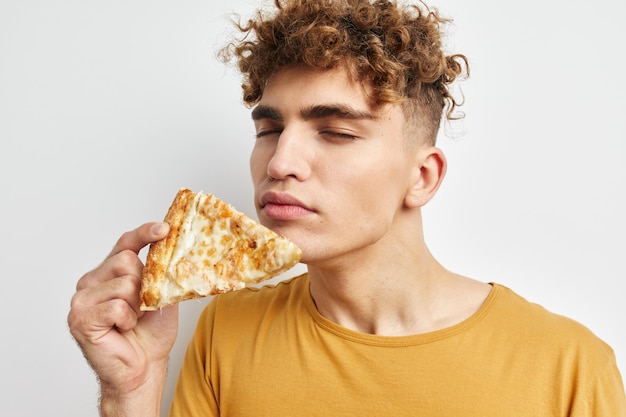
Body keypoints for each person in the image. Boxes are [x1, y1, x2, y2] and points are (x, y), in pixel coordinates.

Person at [68, 0, 626, 416]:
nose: (280, 161)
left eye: (334, 131)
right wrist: (130, 393)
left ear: (422, 177)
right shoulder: (226, 332)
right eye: (269, 129)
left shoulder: (567, 367)